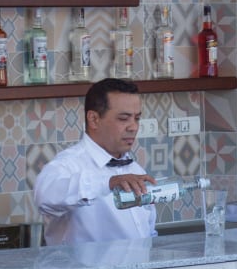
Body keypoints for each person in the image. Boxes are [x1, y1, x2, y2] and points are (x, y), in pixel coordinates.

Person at [34, 78, 157, 245]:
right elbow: (44, 197)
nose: (133, 127)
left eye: (137, 118)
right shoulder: (67, 164)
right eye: (123, 118)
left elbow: (148, 231)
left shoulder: (136, 171)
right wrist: (108, 182)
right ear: (93, 119)